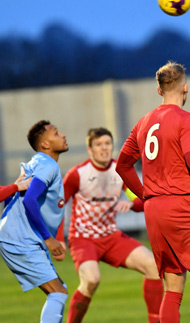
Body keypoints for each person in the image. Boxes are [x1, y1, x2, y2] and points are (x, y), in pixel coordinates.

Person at [115, 61, 190, 323]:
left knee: (173, 286)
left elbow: (122, 165)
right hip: (180, 205)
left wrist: (145, 195)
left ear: (158, 90)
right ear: (186, 88)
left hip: (154, 211)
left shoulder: (143, 123)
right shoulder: (186, 119)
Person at [62, 127, 163, 323]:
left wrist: (131, 204)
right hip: (83, 239)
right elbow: (57, 206)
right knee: (91, 280)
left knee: (153, 266)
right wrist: (57, 238)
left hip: (111, 236)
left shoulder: (121, 171)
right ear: (90, 149)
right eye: (99, 145)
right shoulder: (77, 174)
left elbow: (144, 201)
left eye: (107, 144)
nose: (104, 148)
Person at [0, 120, 69, 322]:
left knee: (59, 289)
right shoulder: (48, 166)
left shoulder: (36, 162)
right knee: (58, 293)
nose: (63, 135)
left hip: (17, 237)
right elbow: (30, 199)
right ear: (45, 145)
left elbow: (16, 198)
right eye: (56, 133)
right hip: (20, 239)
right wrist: (49, 239)